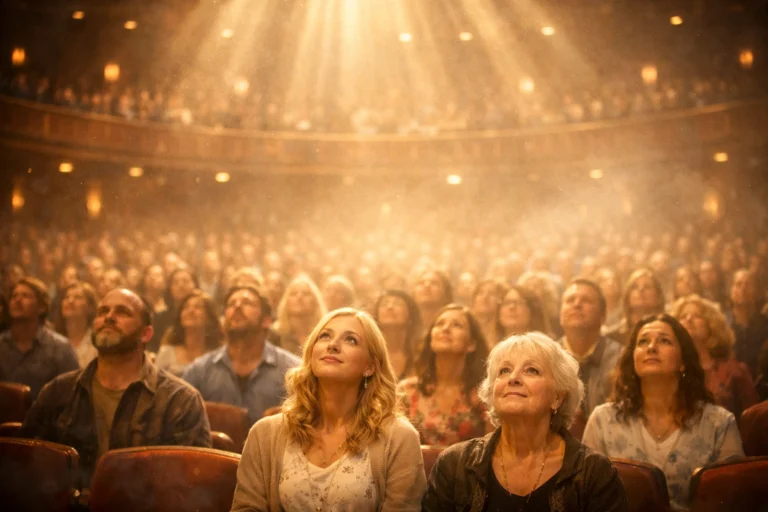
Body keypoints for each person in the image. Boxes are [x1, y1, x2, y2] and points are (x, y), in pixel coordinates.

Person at [230, 308, 427, 511]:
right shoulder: (265, 434)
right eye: (325, 336)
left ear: (370, 366)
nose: (333, 345)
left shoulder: (399, 437)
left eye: (351, 340)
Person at [20, 288, 211, 484]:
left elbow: (190, 486)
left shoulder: (180, 400)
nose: (109, 317)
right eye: (102, 312)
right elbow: (27, 468)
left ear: (146, 334)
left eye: (123, 312)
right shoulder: (59, 391)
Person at [423, 332, 628, 512]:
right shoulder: (454, 465)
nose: (513, 378)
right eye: (504, 370)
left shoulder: (594, 473)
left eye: (531, 370)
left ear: (558, 397)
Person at [582, 314, 744, 511]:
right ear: (633, 358)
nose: (651, 347)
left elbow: (734, 500)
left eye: (664, 341)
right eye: (643, 342)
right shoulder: (603, 420)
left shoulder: (719, 423)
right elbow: (586, 497)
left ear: (683, 361)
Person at [183, 285, 301, 425]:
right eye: (231, 304)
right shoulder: (200, 370)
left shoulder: (293, 370)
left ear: (266, 321)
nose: (237, 306)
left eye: (247, 303)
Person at [398, 304, 489, 446]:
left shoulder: (484, 395)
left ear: (471, 344)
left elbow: (493, 450)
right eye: (440, 324)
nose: (446, 329)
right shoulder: (407, 390)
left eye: (457, 325)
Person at [671, 294, 758, 419]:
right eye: (683, 316)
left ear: (712, 325)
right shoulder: (669, 370)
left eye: (697, 316)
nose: (689, 319)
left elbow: (752, 419)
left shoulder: (734, 371)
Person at [0, 277, 79, 399]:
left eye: (26, 296)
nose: (18, 300)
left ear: (41, 307)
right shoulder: (1, 344)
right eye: (14, 296)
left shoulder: (60, 348)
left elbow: (73, 395)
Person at [558, 279, 622, 416]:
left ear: (603, 315)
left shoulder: (621, 358)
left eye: (586, 300)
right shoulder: (546, 357)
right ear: (560, 314)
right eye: (570, 300)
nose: (576, 304)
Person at [155, 289, 224, 376]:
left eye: (198, 307)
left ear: (209, 317)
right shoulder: (166, 353)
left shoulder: (218, 356)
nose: (190, 310)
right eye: (186, 307)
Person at [605, 268, 665, 345]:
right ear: (628, 296)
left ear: (658, 296)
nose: (641, 289)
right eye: (634, 287)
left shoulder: (669, 334)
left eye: (647, 287)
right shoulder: (611, 337)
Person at [726, 268, 768, 377]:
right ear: (731, 291)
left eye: (748, 284)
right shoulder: (722, 324)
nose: (743, 289)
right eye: (738, 284)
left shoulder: (765, 327)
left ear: (757, 292)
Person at [372, 290, 422, 380]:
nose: (390, 307)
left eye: (398, 304)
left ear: (410, 315)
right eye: (384, 304)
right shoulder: (368, 353)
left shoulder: (421, 354)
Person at [273, 274, 327, 354]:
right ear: (286, 302)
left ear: (315, 302)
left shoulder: (324, 335)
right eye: (293, 293)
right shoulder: (274, 334)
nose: (299, 297)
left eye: (306, 294)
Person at [54, 281, 99, 367]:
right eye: (66, 297)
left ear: (90, 307)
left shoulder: (96, 342)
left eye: (78, 297)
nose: (70, 301)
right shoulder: (52, 340)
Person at [470, 279, 508, 348]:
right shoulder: (466, 331)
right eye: (480, 293)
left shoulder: (506, 335)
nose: (485, 297)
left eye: (492, 293)